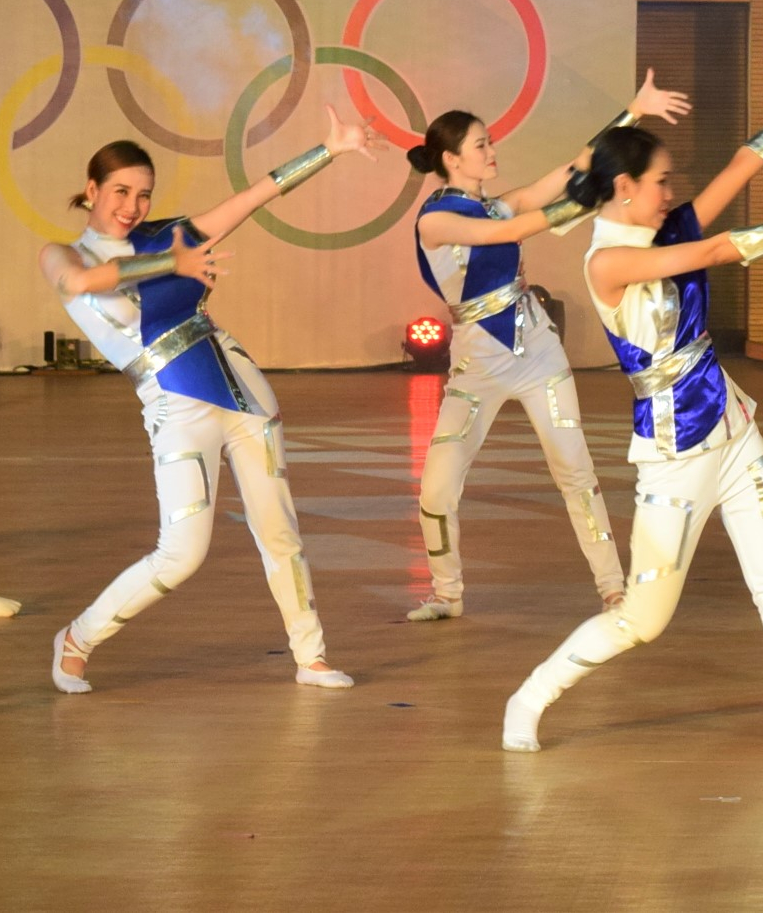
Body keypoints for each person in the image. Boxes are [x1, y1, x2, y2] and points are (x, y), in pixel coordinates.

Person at [503, 57, 763, 754]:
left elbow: (742, 167)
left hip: (735, 430)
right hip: (676, 450)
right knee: (643, 620)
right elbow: (717, 247)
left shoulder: (664, 228)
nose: (670, 192)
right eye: (660, 182)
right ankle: (529, 699)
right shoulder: (607, 262)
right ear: (624, 189)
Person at [41, 114, 378, 693]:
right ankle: (77, 638)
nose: (133, 205)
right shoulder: (61, 254)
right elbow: (82, 284)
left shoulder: (168, 234)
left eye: (144, 194)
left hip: (241, 390)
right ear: (92, 190)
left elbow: (251, 198)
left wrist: (329, 148)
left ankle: (311, 655)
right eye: (120, 191)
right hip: (173, 403)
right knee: (181, 554)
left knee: (279, 531)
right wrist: (173, 264)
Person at [402, 72, 689, 622]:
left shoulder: (499, 206)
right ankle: (446, 592)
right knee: (437, 487)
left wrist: (634, 110)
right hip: (475, 365)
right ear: (451, 159)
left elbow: (572, 170)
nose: (492, 151)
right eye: (480, 144)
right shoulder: (437, 219)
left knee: (574, 471)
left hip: (537, 352)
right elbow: (502, 235)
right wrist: (573, 206)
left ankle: (612, 587)